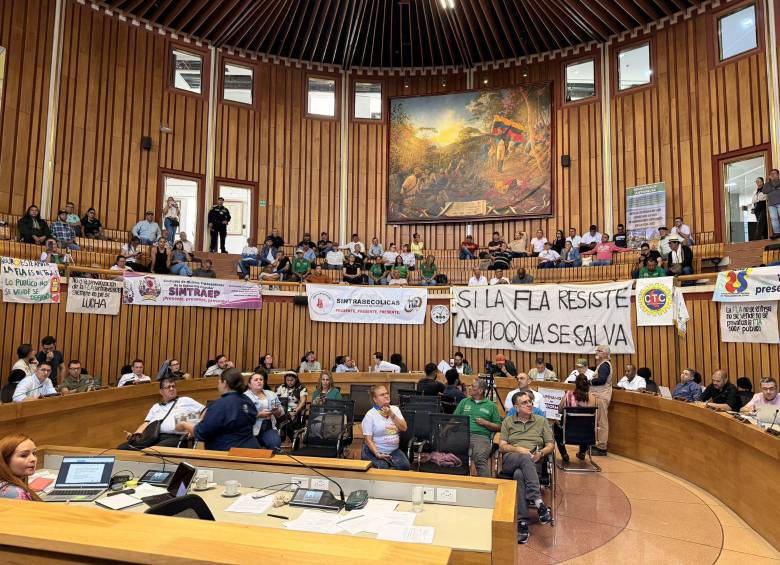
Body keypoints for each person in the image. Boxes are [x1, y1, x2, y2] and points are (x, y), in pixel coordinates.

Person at [498, 390, 554, 544]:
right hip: (511, 459)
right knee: (523, 458)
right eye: (524, 403)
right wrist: (518, 449)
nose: (529, 404)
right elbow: (502, 446)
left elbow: (550, 445)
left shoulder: (541, 421)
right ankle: (538, 501)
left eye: (530, 401)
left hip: (534, 461)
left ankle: (522, 523)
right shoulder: (508, 422)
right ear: (516, 407)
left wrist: (541, 453)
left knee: (519, 475)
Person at [176, 369, 260, 451]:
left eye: (219, 382)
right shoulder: (247, 400)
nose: (218, 386)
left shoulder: (220, 405)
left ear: (225, 383)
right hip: (252, 449)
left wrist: (184, 425)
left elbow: (202, 432)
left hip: (228, 452)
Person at [119, 377, 205, 449]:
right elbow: (146, 423)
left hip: (176, 437)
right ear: (161, 391)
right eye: (168, 387)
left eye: (173, 386)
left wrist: (194, 429)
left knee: (153, 451)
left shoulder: (185, 400)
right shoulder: (156, 406)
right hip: (153, 437)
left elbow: (206, 411)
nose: (171, 389)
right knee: (122, 448)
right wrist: (135, 435)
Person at [454, 379, 502, 477]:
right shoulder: (464, 402)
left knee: (480, 459)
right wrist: (445, 431)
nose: (469, 388)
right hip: (462, 434)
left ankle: (486, 485)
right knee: (450, 455)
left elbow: (499, 427)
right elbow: (454, 419)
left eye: (473, 386)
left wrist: (486, 423)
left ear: (480, 391)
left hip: (480, 437)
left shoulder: (491, 406)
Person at [360, 385, 410, 470]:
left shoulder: (395, 409)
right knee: (382, 467)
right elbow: (368, 440)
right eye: (382, 395)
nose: (386, 396)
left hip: (393, 450)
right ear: (375, 399)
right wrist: (377, 454)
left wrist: (391, 414)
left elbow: (404, 428)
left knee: (404, 466)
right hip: (374, 451)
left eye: (387, 393)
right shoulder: (370, 415)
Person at [554, 374, 597, 463]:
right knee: (585, 424)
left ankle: (564, 454)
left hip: (569, 433)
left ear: (576, 384)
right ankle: (582, 452)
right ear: (587, 385)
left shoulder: (568, 395)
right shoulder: (593, 398)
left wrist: (558, 417)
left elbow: (559, 410)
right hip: (587, 433)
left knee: (556, 426)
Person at [245, 371, 284, 451]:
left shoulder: (271, 394)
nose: (259, 381)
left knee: (275, 445)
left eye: (261, 379)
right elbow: (242, 414)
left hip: (268, 427)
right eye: (256, 380)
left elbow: (281, 411)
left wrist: (277, 411)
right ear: (249, 384)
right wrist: (258, 415)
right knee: (251, 449)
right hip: (250, 429)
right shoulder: (244, 396)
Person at [0, 434, 41, 501]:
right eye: (24, 455)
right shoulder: (14, 492)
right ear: (5, 460)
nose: (33, 459)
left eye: (34, 453)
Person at [590, 344, 613, 455]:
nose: (596, 353)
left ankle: (602, 447)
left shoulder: (604, 365)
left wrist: (589, 381)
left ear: (605, 354)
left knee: (602, 422)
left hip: (601, 397)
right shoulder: (602, 365)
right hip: (598, 396)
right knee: (598, 421)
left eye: (599, 351)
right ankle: (597, 444)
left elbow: (602, 380)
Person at [276, 372, 308, 442]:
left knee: (283, 418)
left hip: (294, 410)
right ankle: (292, 436)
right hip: (282, 409)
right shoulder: (281, 387)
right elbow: (276, 400)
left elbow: (303, 402)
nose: (289, 382)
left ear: (296, 379)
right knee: (280, 416)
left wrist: (296, 411)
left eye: (291, 380)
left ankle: (282, 437)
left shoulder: (301, 388)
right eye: (287, 380)